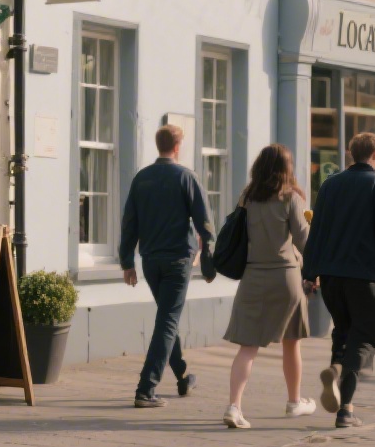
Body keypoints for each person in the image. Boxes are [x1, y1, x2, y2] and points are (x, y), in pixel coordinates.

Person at [301, 132, 375, 429]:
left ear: (351, 153)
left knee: (344, 331)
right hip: (366, 278)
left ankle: (336, 368)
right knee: (367, 338)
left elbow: (317, 233)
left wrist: (309, 275)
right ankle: (345, 408)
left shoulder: (330, 186)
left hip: (333, 278)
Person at [220, 144, 317, 429]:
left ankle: (234, 406)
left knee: (247, 347)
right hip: (285, 278)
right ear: (287, 168)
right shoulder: (291, 199)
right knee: (291, 342)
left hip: (252, 277)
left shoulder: (247, 198)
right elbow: (304, 241)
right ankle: (294, 402)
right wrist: (316, 269)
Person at [120, 125, 216, 408]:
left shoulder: (142, 178)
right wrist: (209, 261)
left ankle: (183, 375)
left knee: (166, 318)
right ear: (178, 146)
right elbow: (205, 223)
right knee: (167, 321)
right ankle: (146, 388)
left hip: (150, 262)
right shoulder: (186, 177)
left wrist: (127, 261)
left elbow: (129, 223)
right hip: (177, 261)